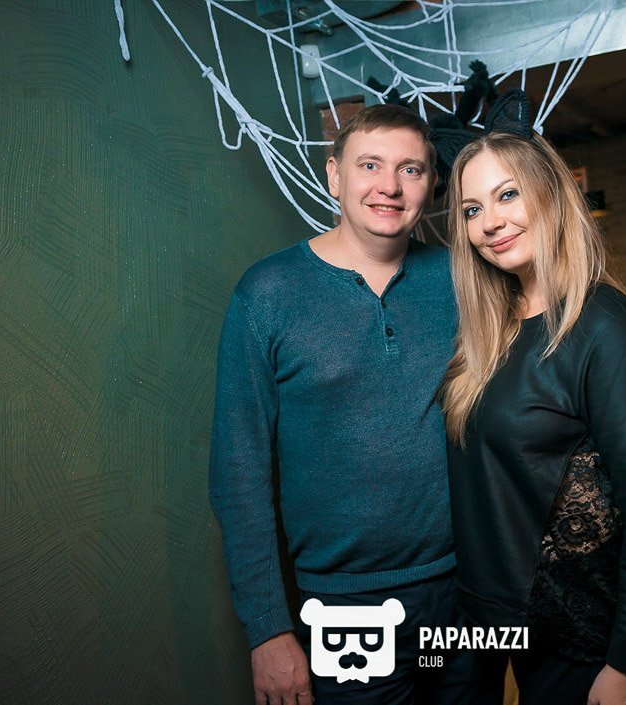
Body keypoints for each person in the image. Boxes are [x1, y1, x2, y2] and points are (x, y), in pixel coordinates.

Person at [209, 104, 467, 705]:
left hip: (464, 593)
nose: (389, 186)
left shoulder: (462, 280)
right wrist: (268, 630)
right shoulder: (267, 293)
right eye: (369, 165)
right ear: (334, 175)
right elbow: (239, 472)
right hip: (345, 607)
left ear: (431, 183)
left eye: (410, 169)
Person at [439, 125, 626, 705]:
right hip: (486, 618)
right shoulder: (491, 327)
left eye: (508, 194)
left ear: (552, 192)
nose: (490, 222)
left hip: (576, 637)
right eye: (472, 209)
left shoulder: (609, 330)